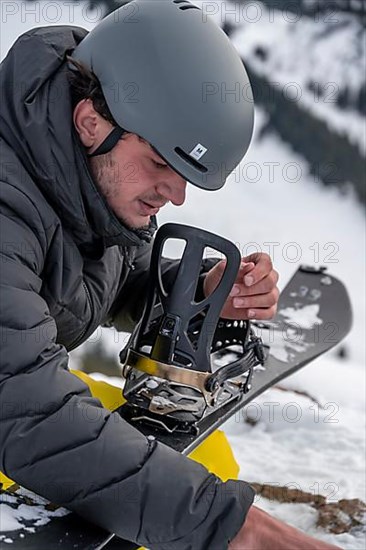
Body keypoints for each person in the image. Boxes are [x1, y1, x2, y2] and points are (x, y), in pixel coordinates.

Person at [0, 1, 340, 548]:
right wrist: (237, 530)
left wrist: (203, 289)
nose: (175, 194)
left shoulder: (82, 174)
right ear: (91, 123)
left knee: (205, 458)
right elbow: (23, 409)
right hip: (15, 410)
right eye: (162, 164)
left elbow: (104, 279)